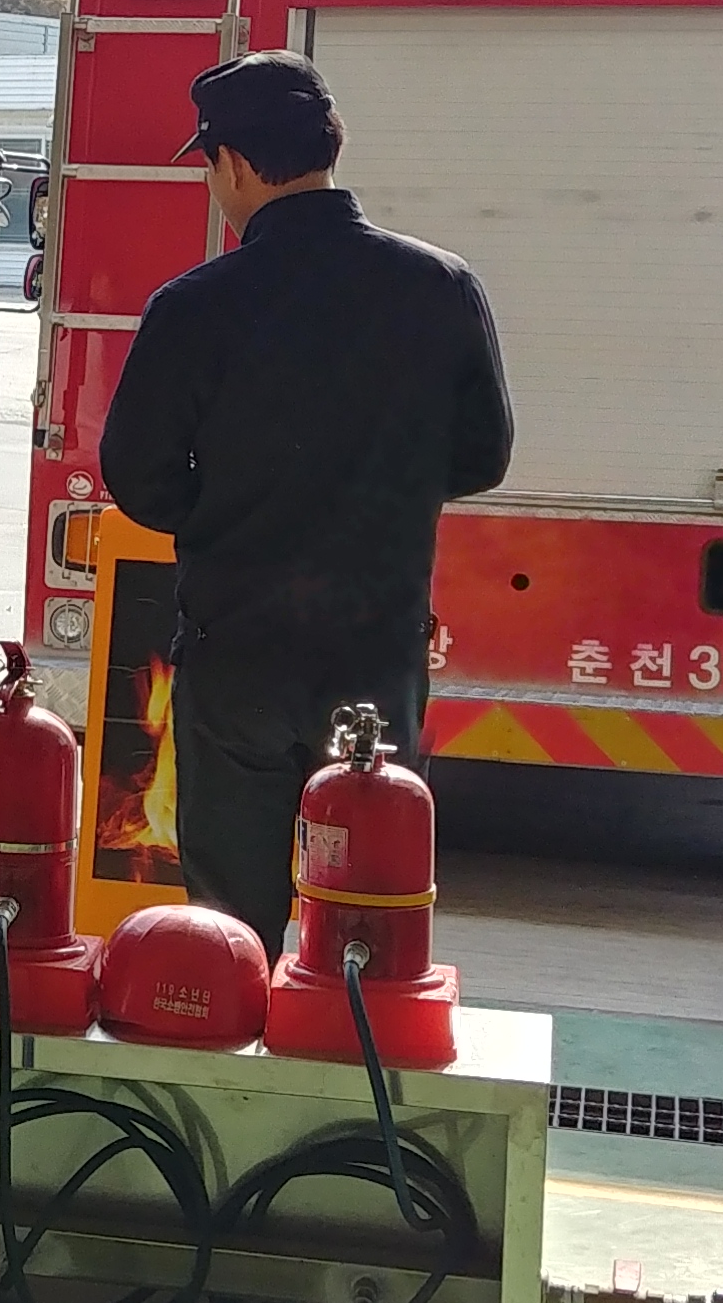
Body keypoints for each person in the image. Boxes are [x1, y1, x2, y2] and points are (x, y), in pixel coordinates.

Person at [96, 52, 512, 956]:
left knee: (230, 925)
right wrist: (378, 494)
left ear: (233, 162)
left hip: (236, 650)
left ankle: (236, 1035)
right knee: (366, 903)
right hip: (376, 649)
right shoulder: (439, 286)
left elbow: (137, 473)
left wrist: (228, 511)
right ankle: (355, 1033)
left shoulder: (194, 306)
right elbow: (484, 456)